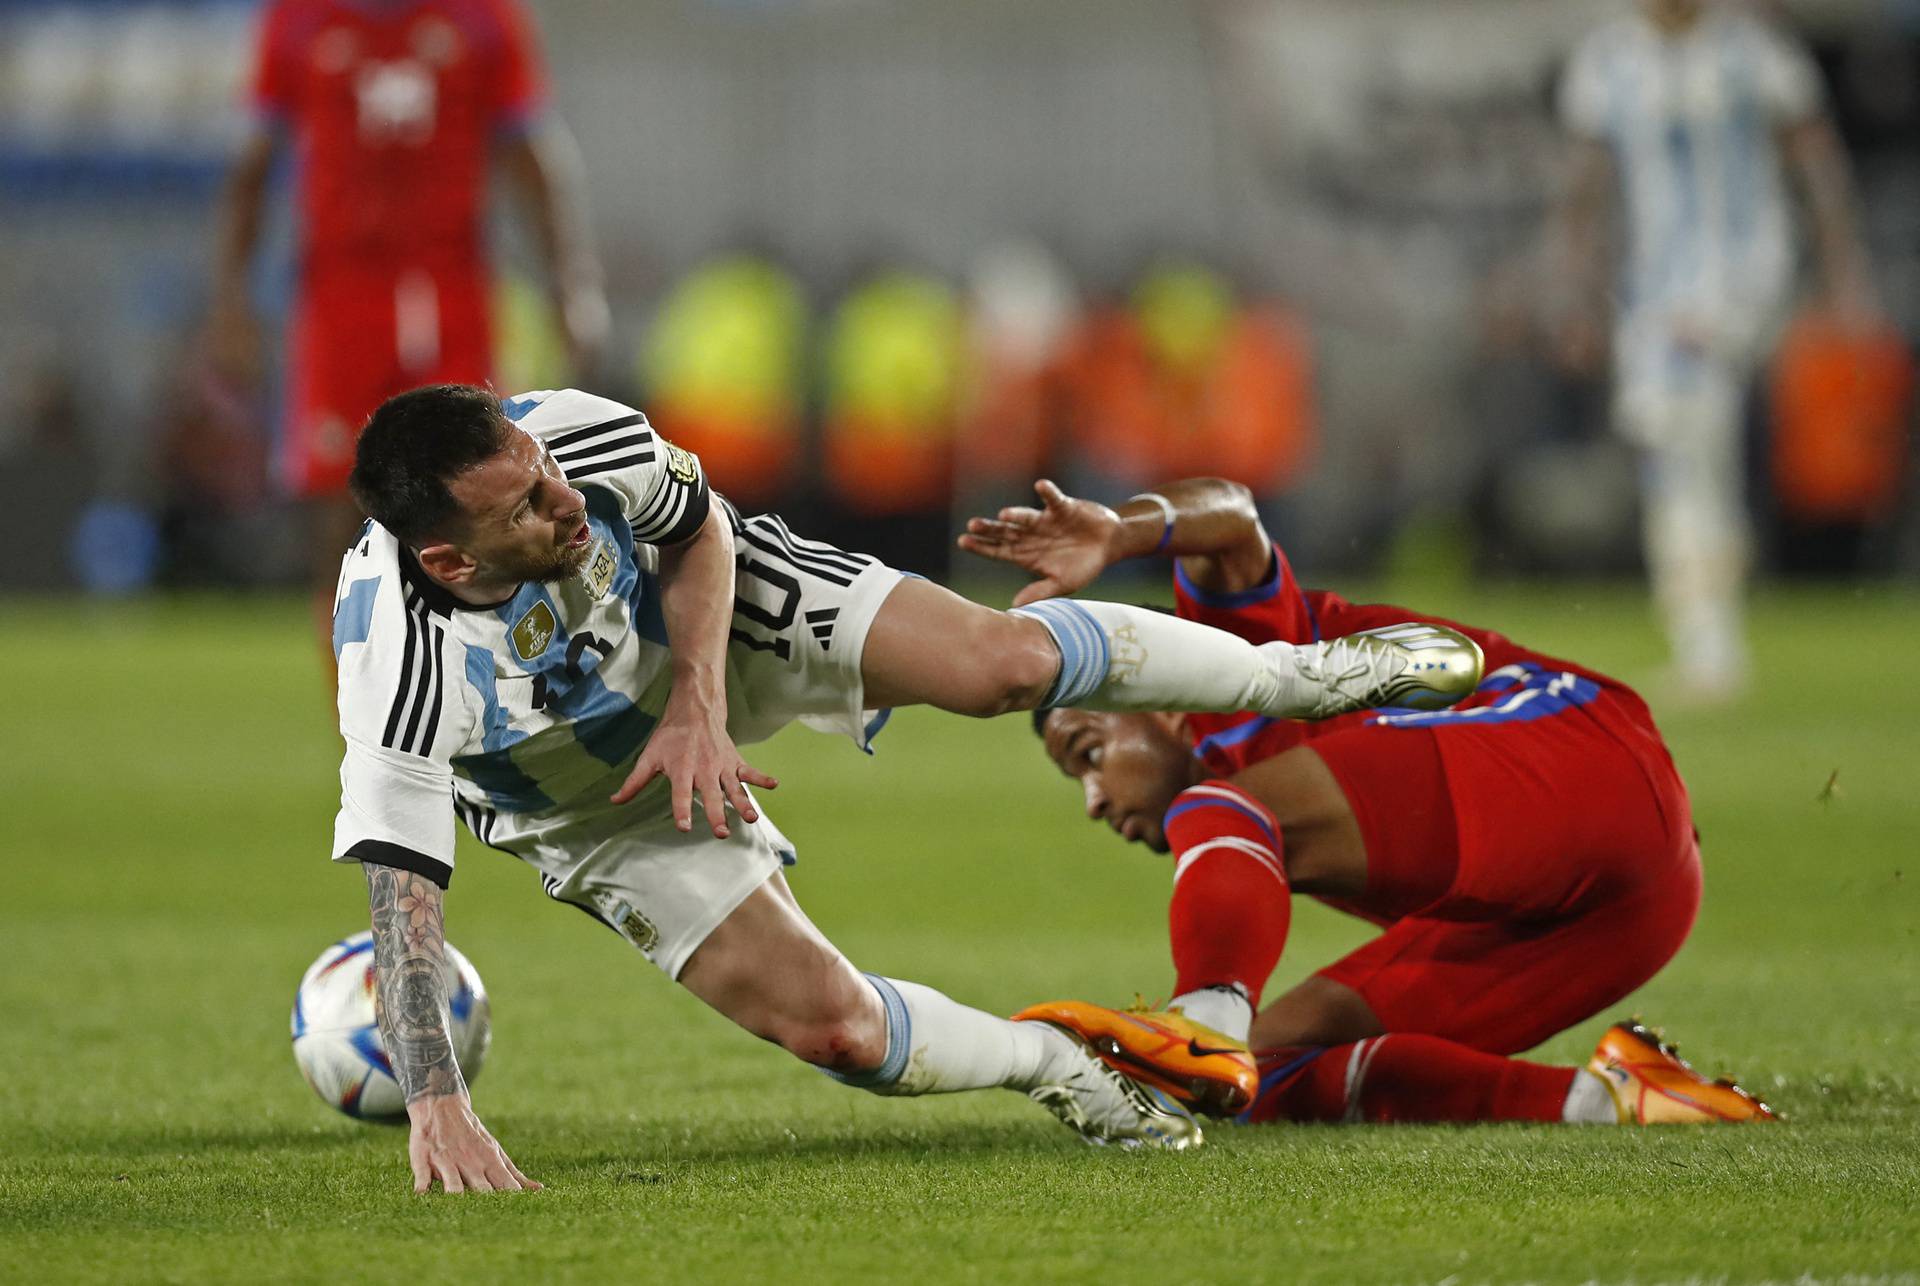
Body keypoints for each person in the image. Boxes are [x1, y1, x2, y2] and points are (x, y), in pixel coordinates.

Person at [331, 384, 1484, 1192]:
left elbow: (700, 534)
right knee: (834, 1029)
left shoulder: (576, 441)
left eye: (542, 473)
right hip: (592, 798)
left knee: (1005, 661)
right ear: (450, 561)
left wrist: (698, 698)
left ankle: (1306, 675)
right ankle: (1059, 1063)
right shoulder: (401, 665)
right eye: (525, 508)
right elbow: (403, 902)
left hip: (714, 634)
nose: (563, 502)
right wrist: (437, 1098)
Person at [960, 476, 1776, 1127]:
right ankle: (1613, 1102)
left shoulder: (1231, 652)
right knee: (1251, 1080)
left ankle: (1200, 1020)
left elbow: (1232, 514)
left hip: (1587, 758)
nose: (1096, 802)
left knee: (1223, 816)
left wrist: (1118, 529)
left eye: (1090, 755)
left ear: (1151, 697)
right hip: (1627, 913)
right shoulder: (1243, 788)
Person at [209, 0, 609, 651]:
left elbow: (530, 151)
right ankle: (360, 719)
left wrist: (573, 286)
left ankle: (489, 695)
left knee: (485, 494)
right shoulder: (298, 18)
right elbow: (253, 165)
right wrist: (230, 301)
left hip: (452, 289)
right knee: (341, 505)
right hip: (342, 296)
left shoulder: (483, 16)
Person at [1555, 0, 1878, 700]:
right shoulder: (1607, 60)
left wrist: (1839, 272)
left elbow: (1815, 162)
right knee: (1671, 447)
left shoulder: (1754, 52)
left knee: (1681, 427)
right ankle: (1706, 608)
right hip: (1651, 289)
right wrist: (1579, 297)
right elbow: (1585, 188)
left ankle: (1710, 642)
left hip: (1743, 274)